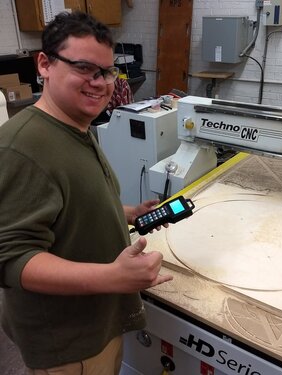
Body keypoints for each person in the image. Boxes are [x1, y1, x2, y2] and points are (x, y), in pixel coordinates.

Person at [0, 11, 172, 375]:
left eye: (107, 71)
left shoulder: (76, 128)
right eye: (83, 67)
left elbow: (66, 204)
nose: (100, 83)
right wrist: (114, 277)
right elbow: (14, 259)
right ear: (44, 64)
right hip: (68, 342)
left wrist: (126, 212)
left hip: (96, 323)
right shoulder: (22, 147)